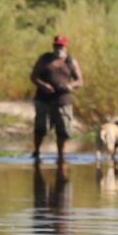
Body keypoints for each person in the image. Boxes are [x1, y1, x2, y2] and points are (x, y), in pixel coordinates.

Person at [29, 32, 84, 163]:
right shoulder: (44, 59)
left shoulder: (71, 61)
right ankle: (37, 151)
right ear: (53, 46)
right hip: (43, 98)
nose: (59, 48)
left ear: (66, 47)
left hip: (63, 99)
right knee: (41, 127)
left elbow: (80, 81)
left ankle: (61, 155)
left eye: (61, 46)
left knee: (63, 129)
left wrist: (71, 86)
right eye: (56, 46)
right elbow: (33, 77)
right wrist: (43, 85)